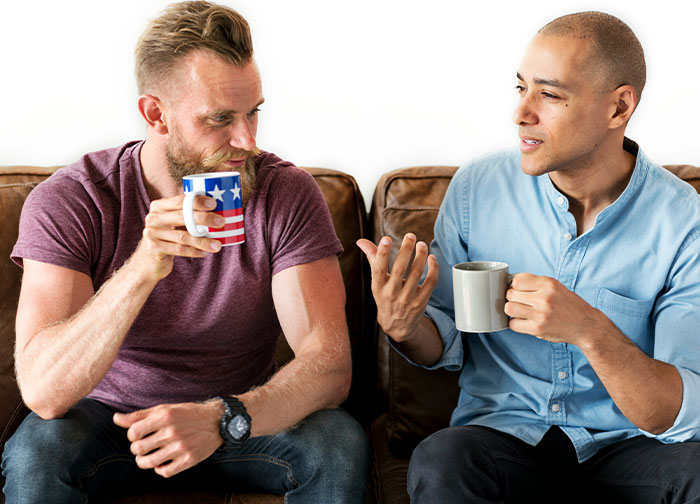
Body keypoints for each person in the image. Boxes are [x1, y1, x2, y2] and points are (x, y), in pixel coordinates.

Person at [2, 1, 370, 502]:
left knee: (339, 443)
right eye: (220, 118)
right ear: (156, 114)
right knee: (36, 452)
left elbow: (329, 366)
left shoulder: (286, 193)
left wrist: (224, 416)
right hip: (109, 420)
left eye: (253, 112)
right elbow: (44, 392)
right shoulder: (72, 199)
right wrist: (141, 269)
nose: (248, 141)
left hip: (240, 416)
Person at [358, 11, 700, 503]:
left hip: (628, 447)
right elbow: (447, 340)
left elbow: (671, 412)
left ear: (619, 107)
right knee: (442, 458)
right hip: (505, 441)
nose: (522, 113)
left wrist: (589, 328)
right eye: (521, 88)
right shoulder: (478, 189)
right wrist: (405, 325)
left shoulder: (683, 220)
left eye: (551, 94)